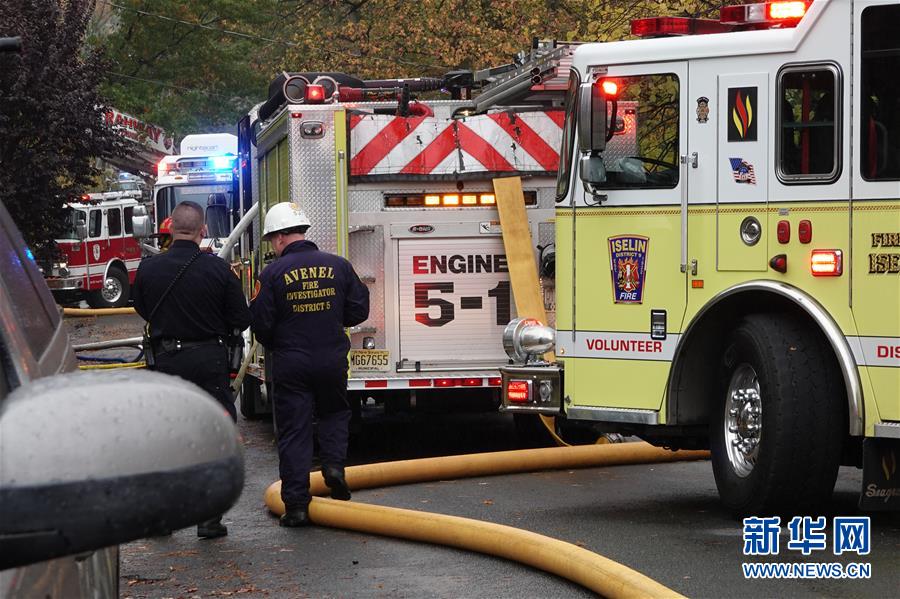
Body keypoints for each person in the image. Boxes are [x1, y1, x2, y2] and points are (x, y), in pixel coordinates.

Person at [132, 201, 251, 538]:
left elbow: (142, 307)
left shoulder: (149, 269)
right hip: (210, 361)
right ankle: (209, 518)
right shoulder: (219, 270)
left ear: (170, 229)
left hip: (166, 361)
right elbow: (241, 318)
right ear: (203, 231)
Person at [250, 202, 369, 527]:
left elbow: (261, 325)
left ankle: (297, 507)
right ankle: (333, 467)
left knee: (294, 430)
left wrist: (282, 339)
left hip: (291, 362)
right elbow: (359, 310)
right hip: (331, 358)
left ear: (278, 238)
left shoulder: (271, 274)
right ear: (302, 231)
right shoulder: (339, 266)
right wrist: (330, 320)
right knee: (334, 413)